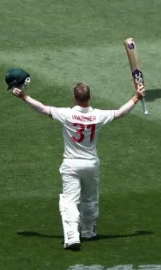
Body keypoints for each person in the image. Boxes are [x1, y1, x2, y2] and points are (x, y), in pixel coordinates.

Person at [11, 80, 146, 250]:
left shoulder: (67, 114)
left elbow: (43, 109)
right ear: (89, 98)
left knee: (70, 201)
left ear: (74, 97)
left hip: (71, 164)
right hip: (91, 164)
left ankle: (73, 236)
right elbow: (120, 113)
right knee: (89, 199)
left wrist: (23, 96)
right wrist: (136, 98)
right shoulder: (97, 115)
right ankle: (88, 231)